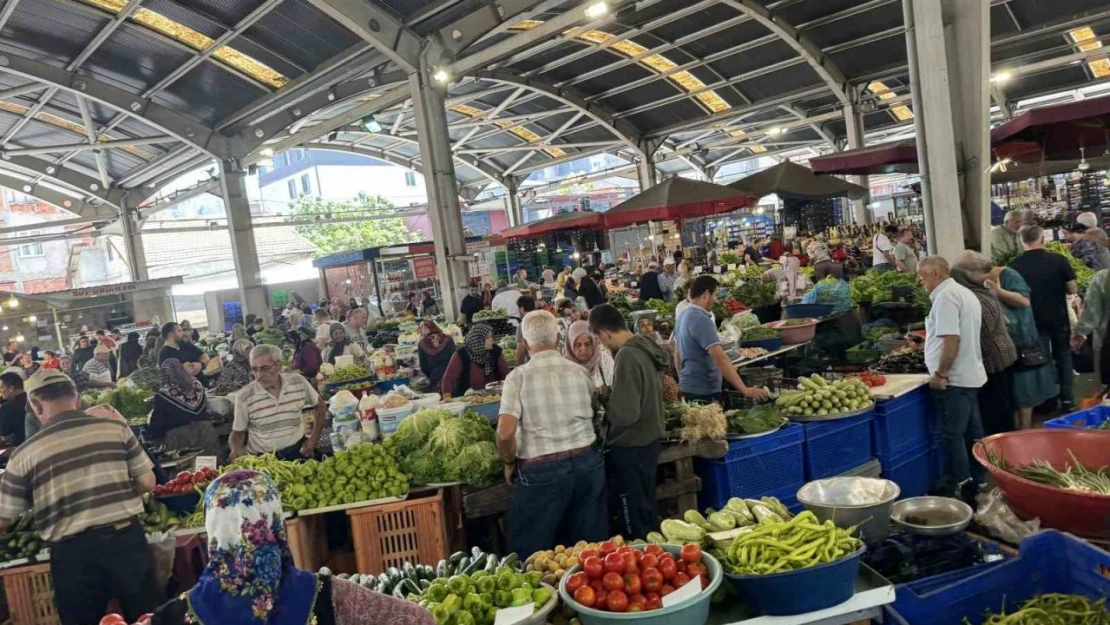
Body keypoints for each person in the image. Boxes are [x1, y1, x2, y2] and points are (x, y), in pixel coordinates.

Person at [151, 470, 434, 625]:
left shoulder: (174, 617)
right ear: (275, 523)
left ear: (213, 529)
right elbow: (417, 619)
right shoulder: (328, 596)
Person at [0, 369, 159, 625]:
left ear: (35, 405)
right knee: (147, 616)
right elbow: (147, 481)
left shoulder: (24, 454)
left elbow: (4, 517)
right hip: (125, 542)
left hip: (73, 555)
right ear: (76, 399)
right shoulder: (114, 428)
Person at [496, 311, 606, 557]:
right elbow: (596, 413)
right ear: (558, 337)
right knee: (588, 552)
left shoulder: (517, 378)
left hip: (540, 472)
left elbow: (504, 435)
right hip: (587, 464)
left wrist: (508, 462)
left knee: (533, 556)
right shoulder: (579, 372)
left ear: (525, 342)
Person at [588, 306, 669, 538]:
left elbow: (626, 414)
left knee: (633, 514)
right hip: (650, 439)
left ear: (604, 333)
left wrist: (606, 402)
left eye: (599, 340)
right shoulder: (645, 344)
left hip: (631, 446)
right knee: (645, 507)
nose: (602, 345)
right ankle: (653, 553)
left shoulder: (626, 354)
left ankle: (642, 555)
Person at [955, 251, 1054, 432]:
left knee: (1024, 389)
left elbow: (1024, 301)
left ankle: (1023, 431)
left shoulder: (1008, 276)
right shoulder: (976, 288)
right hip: (1007, 343)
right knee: (1011, 392)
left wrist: (999, 292)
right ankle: (1016, 431)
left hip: (1021, 337)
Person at [916, 256, 988, 504]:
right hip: (970, 375)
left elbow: (952, 340)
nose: (920, 281)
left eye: (923, 276)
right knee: (972, 432)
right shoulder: (963, 292)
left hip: (954, 379)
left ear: (936, 273)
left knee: (953, 434)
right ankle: (978, 479)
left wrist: (941, 374)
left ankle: (961, 487)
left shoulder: (945, 297)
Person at [1010, 225, 1079, 411]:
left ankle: (1046, 401)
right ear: (1042, 239)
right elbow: (1073, 289)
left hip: (1031, 322)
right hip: (1058, 318)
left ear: (1021, 241)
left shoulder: (1014, 267)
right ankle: (1067, 400)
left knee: (1041, 359)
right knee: (1063, 357)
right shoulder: (1059, 260)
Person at [674, 276, 770, 404]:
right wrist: (744, 389)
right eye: (715, 295)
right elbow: (720, 358)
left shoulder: (683, 315)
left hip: (689, 389)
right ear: (706, 294)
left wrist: (682, 379)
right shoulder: (702, 319)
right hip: (703, 393)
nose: (716, 300)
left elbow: (676, 352)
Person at [950, 263, 1018, 441]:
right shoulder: (983, 293)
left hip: (993, 357)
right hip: (1005, 352)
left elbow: (981, 335)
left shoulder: (973, 299)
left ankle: (1001, 445)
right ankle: (1009, 441)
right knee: (1005, 403)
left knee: (996, 407)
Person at [230, 344, 325, 461]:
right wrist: (235, 449)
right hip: (264, 460)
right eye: (254, 369)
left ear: (279, 365)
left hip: (297, 451)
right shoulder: (244, 397)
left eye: (264, 368)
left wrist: (314, 438)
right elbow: (238, 433)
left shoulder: (298, 382)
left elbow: (320, 406)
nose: (259, 375)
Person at [149, 359, 220, 460]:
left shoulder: (163, 394)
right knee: (211, 466)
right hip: (206, 431)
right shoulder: (197, 385)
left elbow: (157, 422)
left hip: (180, 438)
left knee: (189, 472)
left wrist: (155, 438)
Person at [441, 323, 509, 397]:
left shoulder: (495, 351)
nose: (491, 340)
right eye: (488, 338)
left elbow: (506, 374)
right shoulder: (461, 355)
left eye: (491, 337)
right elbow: (448, 379)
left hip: (494, 396)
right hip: (467, 398)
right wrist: (447, 398)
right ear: (478, 340)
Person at [564, 320, 615, 390]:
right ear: (570, 346)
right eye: (578, 345)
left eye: (588, 344)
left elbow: (617, 388)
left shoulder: (604, 360)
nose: (583, 349)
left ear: (594, 343)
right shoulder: (564, 367)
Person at [418, 320, 456, 390]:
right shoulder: (448, 339)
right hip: (452, 375)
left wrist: (432, 375)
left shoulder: (422, 344)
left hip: (436, 377)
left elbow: (423, 366)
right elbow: (455, 357)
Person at [0, 372, 27, 446]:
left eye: (2, 388)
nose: (1, 391)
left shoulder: (7, 408)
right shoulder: (33, 400)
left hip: (17, 449)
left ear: (11, 388)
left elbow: (4, 436)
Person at [514, 295, 537, 366]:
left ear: (521, 309)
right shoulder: (544, 320)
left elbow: (521, 353)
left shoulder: (522, 325)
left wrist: (517, 369)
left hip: (533, 364)